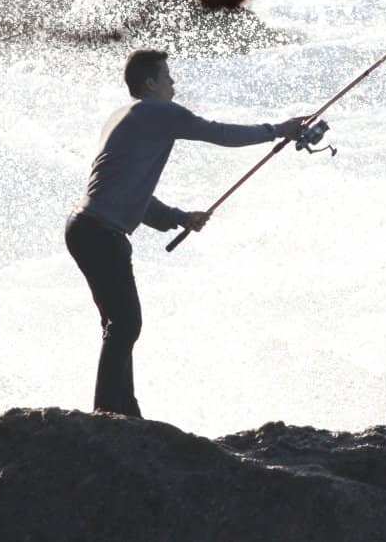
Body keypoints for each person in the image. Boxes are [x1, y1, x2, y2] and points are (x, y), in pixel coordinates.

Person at [65, 49, 304, 418]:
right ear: (150, 83)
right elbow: (219, 133)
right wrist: (277, 130)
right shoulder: (155, 111)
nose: (173, 84)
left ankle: (121, 410)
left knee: (118, 324)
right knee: (126, 323)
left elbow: (129, 190)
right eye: (167, 76)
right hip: (100, 232)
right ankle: (110, 412)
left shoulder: (123, 117)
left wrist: (179, 217)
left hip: (85, 229)